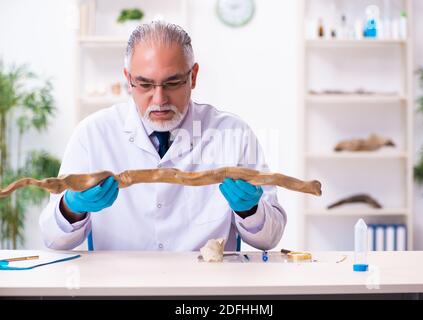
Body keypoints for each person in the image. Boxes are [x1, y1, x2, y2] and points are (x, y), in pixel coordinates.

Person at [39, 21, 286, 251]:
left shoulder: (233, 134)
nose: (159, 100)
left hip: (204, 289)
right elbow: (53, 239)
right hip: (119, 290)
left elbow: (269, 239)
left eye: (172, 83)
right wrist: (71, 207)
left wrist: (250, 209)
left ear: (194, 76)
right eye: (145, 84)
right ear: (128, 80)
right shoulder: (93, 134)